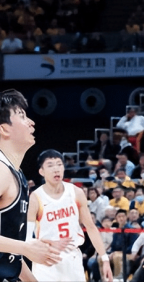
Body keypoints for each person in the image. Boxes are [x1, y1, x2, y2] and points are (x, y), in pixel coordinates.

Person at [0, 89, 66, 281]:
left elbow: (9, 258)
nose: (31, 122)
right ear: (4, 129)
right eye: (22, 116)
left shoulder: (17, 174)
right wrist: (26, 248)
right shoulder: (1, 171)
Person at [28, 150, 113, 282]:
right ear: (41, 171)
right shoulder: (35, 198)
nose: (56, 169)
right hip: (46, 259)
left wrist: (104, 258)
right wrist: (48, 243)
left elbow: (91, 227)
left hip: (72, 259)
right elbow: (26, 238)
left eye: (59, 164)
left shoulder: (76, 192)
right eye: (50, 165)